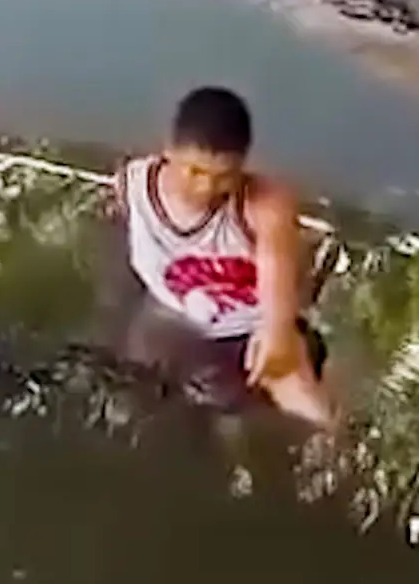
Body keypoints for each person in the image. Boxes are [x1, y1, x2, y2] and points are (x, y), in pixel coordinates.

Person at [109, 87, 334, 427]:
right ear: (168, 151)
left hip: (250, 324)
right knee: (133, 396)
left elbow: (277, 270)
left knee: (313, 415)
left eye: (223, 177)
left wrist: (276, 333)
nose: (205, 189)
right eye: (194, 172)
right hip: (172, 315)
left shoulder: (264, 205)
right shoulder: (132, 183)